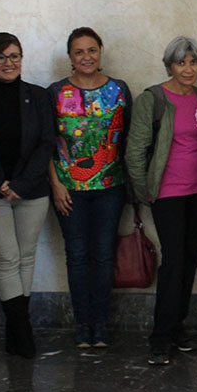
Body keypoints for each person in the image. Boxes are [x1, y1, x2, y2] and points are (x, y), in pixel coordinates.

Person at [126, 36, 197, 366]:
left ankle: (178, 327)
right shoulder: (153, 99)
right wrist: (146, 192)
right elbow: (135, 152)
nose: (188, 69)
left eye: (193, 62)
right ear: (169, 66)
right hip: (168, 193)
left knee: (190, 260)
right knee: (173, 261)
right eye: (181, 62)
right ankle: (160, 336)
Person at [0, 33, 55, 358]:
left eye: (15, 56)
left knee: (26, 256)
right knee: (6, 258)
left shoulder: (38, 95)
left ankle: (16, 329)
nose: (9, 63)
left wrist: (21, 182)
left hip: (31, 191)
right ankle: (21, 329)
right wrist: (0, 183)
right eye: (2, 57)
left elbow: (46, 142)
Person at [48, 28, 133, 348]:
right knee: (77, 255)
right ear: (70, 57)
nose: (87, 57)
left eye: (92, 50)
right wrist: (55, 184)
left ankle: (101, 325)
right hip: (69, 189)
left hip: (111, 186)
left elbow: (127, 141)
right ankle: (83, 326)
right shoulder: (56, 92)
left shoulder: (119, 89)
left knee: (103, 256)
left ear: (101, 52)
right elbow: (48, 143)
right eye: (79, 52)